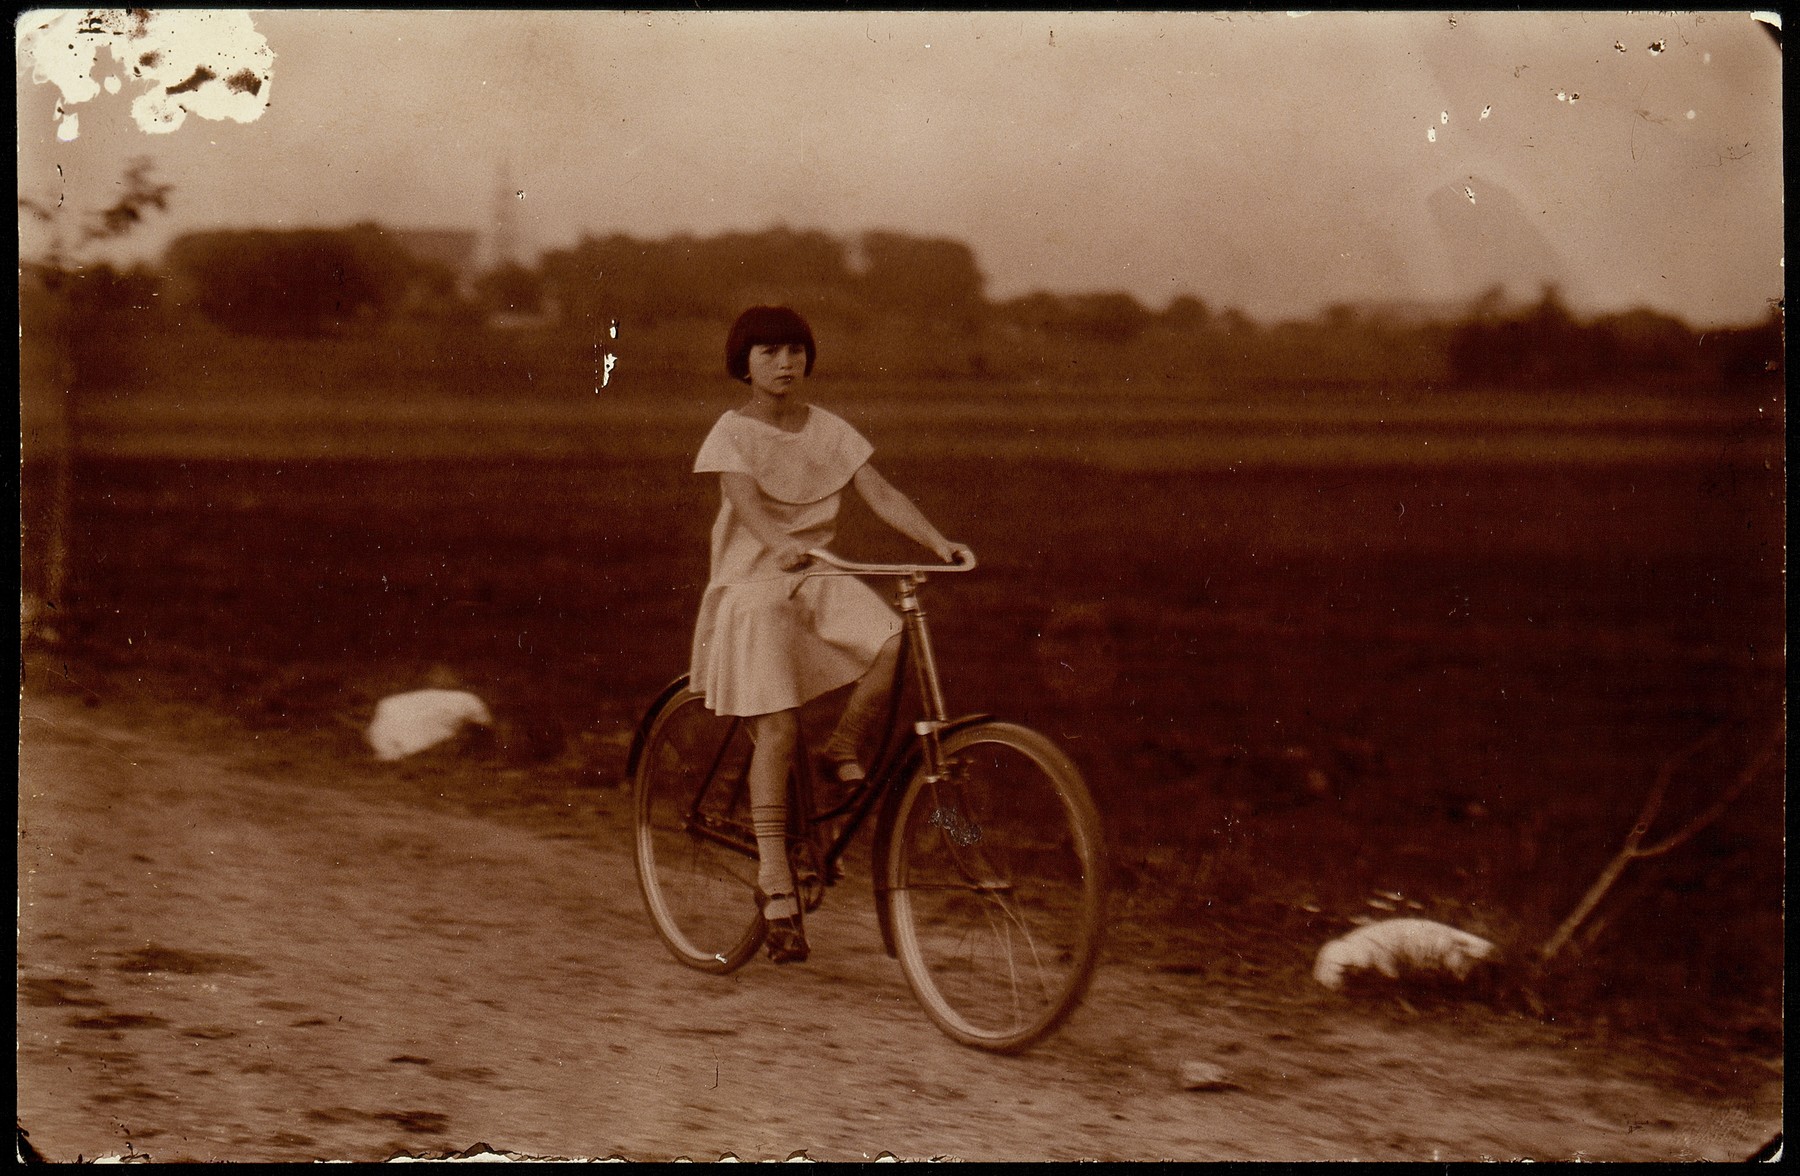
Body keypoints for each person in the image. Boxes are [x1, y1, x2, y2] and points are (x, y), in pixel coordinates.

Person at [689, 305, 968, 964]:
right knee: (778, 728)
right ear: (745, 365)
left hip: (816, 578)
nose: (785, 364)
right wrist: (779, 544)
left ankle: (840, 743)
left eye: (794, 351)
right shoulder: (733, 433)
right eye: (768, 353)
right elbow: (746, 503)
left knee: (891, 638)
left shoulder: (830, 429)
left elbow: (880, 491)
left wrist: (937, 541)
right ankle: (774, 884)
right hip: (753, 585)